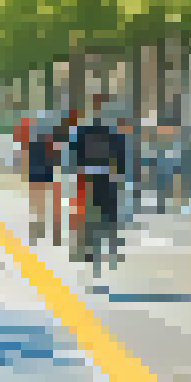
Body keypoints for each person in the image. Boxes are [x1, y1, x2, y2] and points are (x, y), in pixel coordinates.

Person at [67, 103, 128, 267]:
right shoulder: (113, 133)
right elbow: (120, 155)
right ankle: (111, 251)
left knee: (91, 214)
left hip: (89, 177)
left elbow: (75, 154)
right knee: (108, 215)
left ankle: (89, 251)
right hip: (106, 177)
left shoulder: (83, 132)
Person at [25, 110, 58, 241]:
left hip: (42, 170)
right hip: (43, 170)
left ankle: (40, 229)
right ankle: (48, 230)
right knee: (43, 200)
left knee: (39, 201)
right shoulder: (48, 140)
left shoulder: (36, 139)